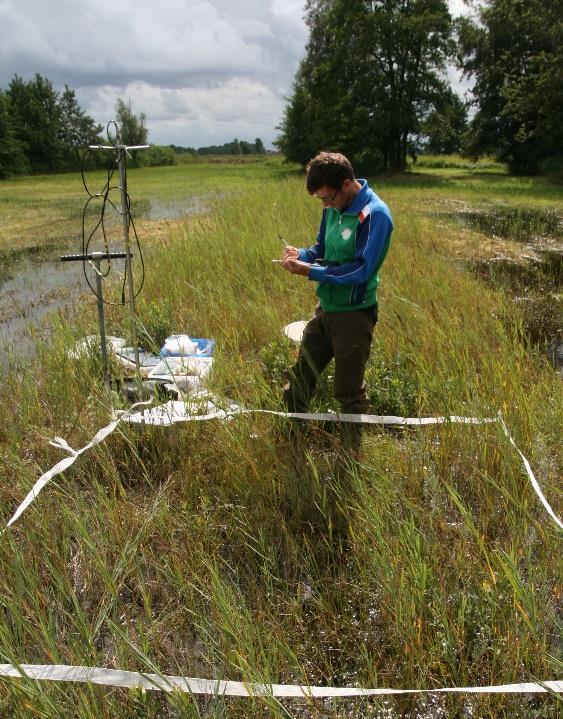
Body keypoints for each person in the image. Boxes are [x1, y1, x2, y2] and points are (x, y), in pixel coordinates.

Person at [281, 151, 393, 457]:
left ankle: (351, 457)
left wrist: (310, 271)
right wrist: (300, 255)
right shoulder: (332, 208)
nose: (325, 206)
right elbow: (321, 249)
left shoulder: (375, 215)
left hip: (354, 317)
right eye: (321, 201)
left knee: (348, 391)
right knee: (301, 376)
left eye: (328, 198)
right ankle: (290, 439)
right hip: (326, 310)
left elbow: (361, 270)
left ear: (346, 184)